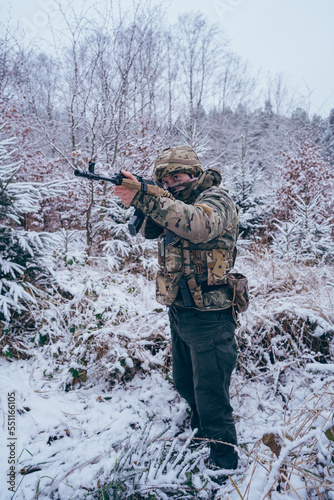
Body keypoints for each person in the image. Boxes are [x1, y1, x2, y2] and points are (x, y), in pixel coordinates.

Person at [114, 145, 240, 470]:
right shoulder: (173, 204)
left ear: (195, 173)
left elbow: (197, 226)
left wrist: (147, 196)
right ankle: (202, 434)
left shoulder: (216, 199)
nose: (173, 182)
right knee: (185, 381)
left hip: (210, 315)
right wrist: (144, 200)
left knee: (212, 395)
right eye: (166, 178)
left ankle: (224, 460)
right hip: (179, 309)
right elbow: (148, 231)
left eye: (179, 175)